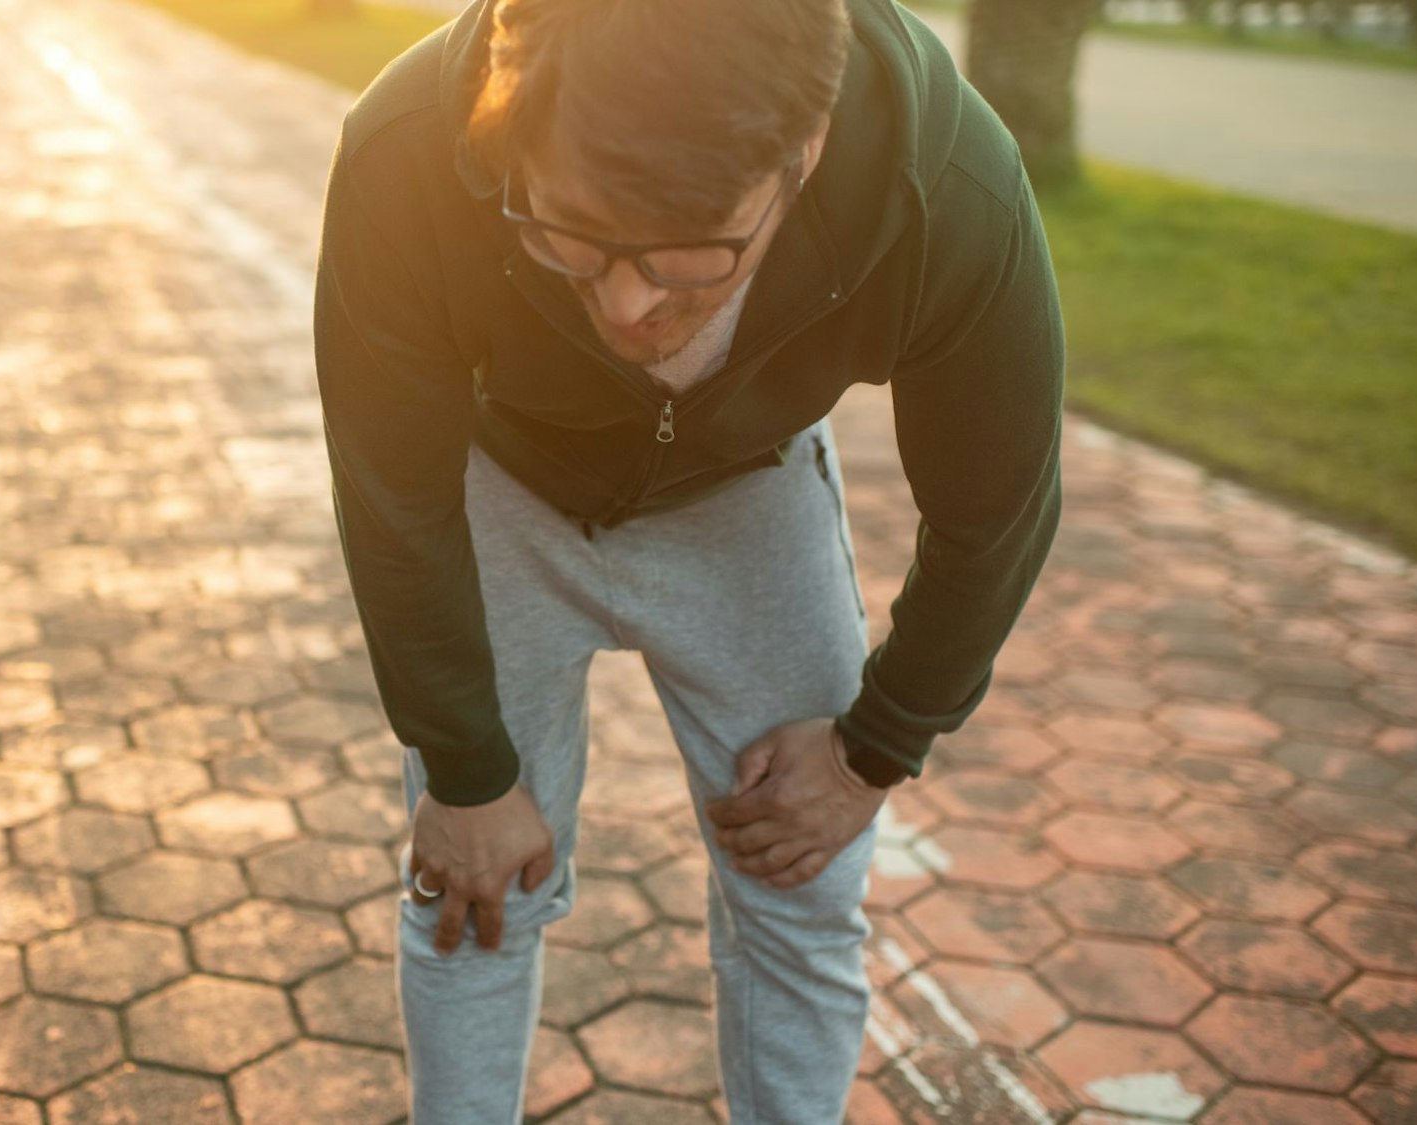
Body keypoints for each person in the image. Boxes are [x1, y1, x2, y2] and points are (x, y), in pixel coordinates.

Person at [310, 0, 1065, 1120]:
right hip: (501, 489)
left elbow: (994, 511)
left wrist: (874, 749)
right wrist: (464, 772)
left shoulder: (948, 185)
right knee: (471, 889)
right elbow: (393, 495)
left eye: (688, 255)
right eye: (567, 235)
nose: (625, 306)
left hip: (749, 492)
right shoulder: (410, 143)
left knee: (803, 888)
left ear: (803, 151)